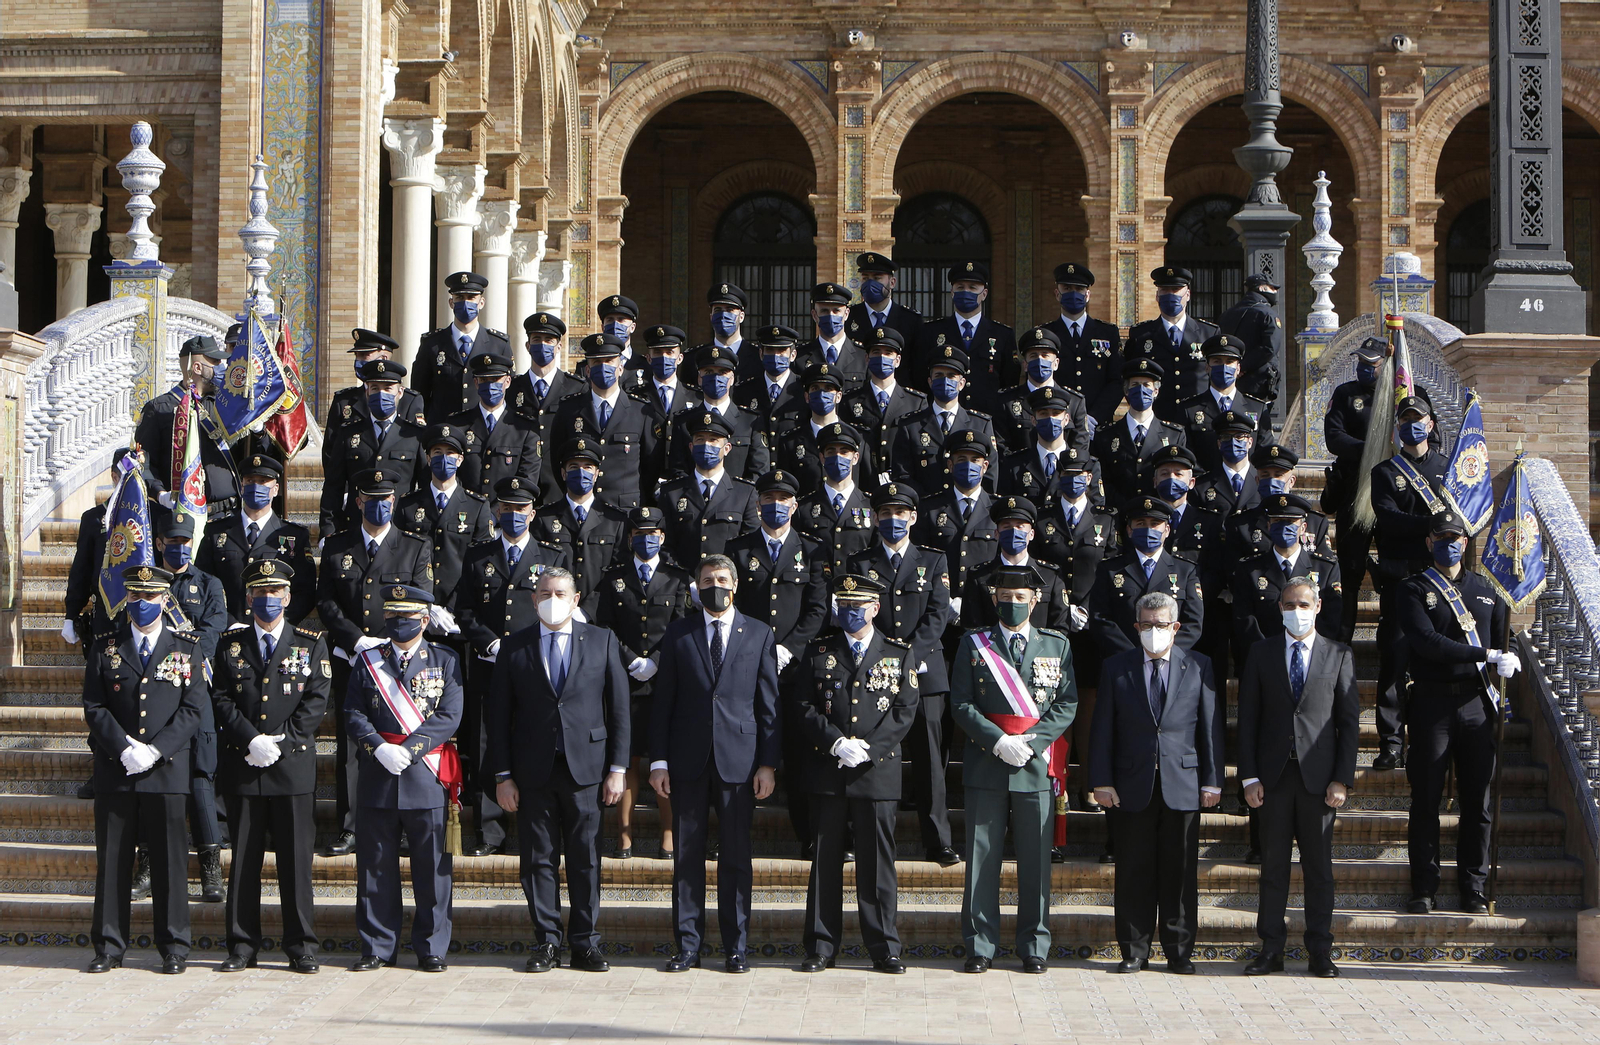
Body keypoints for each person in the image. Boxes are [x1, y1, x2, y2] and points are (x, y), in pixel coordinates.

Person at [485, 567, 630, 973]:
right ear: (534, 600)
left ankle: (585, 943)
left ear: (575, 599)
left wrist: (618, 768)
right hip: (533, 771)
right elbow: (498, 717)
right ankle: (547, 941)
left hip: (587, 770)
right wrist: (502, 776)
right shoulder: (514, 646)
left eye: (561, 593)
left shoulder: (601, 640)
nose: (553, 599)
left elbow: (619, 709)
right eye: (545, 593)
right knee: (538, 860)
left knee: (586, 859)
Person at [649, 554, 781, 973]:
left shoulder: (759, 633)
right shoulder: (678, 633)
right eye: (707, 580)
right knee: (687, 855)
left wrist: (768, 764)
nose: (715, 586)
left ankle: (735, 946)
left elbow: (768, 705)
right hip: (687, 759)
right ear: (696, 587)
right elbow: (663, 702)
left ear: (735, 585)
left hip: (739, 762)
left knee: (736, 856)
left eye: (722, 579)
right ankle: (688, 945)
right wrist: (658, 761)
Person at [949, 564, 1077, 973]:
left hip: (1034, 767)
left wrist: (1032, 743)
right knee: (981, 860)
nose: (1012, 603)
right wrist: (998, 741)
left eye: (1020, 598)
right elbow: (961, 703)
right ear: (994, 599)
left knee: (1036, 861)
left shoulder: (1056, 645)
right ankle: (980, 946)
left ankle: (1034, 945)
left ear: (1035, 601)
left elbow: (1067, 703)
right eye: (1005, 597)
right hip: (987, 764)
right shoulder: (974, 644)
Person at [1089, 591, 1223, 974]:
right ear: (1136, 627)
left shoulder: (1199, 666)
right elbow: (1103, 729)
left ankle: (1179, 951)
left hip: (1183, 783)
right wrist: (1101, 780)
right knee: (1134, 869)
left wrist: (1212, 781)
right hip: (1132, 784)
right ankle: (1134, 949)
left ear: (1175, 627)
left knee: (1180, 872)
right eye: (1146, 625)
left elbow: (1209, 727)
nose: (1153, 631)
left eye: (1161, 624)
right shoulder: (1116, 667)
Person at [82, 565, 206, 975]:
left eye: (150, 596)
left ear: (165, 599)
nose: (142, 603)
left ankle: (174, 947)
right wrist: (123, 748)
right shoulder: (105, 647)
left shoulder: (186, 647)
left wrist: (155, 751)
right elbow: (94, 706)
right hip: (117, 770)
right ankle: (108, 947)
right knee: (113, 860)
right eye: (135, 596)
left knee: (170, 861)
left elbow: (193, 709)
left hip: (165, 770)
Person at [1397, 510, 1520, 915]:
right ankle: (1424, 887)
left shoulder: (1487, 590)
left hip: (1476, 704)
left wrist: (1508, 660)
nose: (1448, 544)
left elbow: (1504, 639)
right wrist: (1486, 654)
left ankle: (1474, 887)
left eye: (1454, 538)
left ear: (1465, 543)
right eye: (1441, 537)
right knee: (1426, 798)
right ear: (1429, 542)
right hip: (1431, 703)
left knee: (1478, 802)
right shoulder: (1414, 589)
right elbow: (1427, 641)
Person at [795, 574, 919, 973]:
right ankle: (821, 946)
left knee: (877, 863)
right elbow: (802, 705)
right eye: (844, 606)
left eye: (857, 606)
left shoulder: (898, 653)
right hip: (828, 769)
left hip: (877, 772)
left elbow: (904, 709)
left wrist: (871, 749)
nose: (849, 612)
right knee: (825, 860)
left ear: (875, 608)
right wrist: (835, 743)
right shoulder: (818, 651)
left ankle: (884, 947)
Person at [211, 560, 330, 973]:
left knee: (295, 864)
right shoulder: (229, 644)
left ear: (288, 597)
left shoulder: (310, 644)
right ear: (248, 598)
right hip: (243, 764)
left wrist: (282, 744)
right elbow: (220, 697)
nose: (267, 599)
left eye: (274, 592)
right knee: (244, 863)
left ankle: (301, 945)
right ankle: (242, 945)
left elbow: (316, 701)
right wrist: (251, 739)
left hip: (291, 767)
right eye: (260, 592)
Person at [1237, 577, 1358, 978]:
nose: (1297, 611)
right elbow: (1248, 720)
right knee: (1273, 867)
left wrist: (1342, 779)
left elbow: (1348, 724)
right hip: (1272, 779)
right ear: (1280, 608)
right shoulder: (1261, 653)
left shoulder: (1338, 654)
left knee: (1318, 870)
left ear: (1318, 606)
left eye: (1304, 604)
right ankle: (1271, 949)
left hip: (1318, 782)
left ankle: (1320, 951)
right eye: (1289, 604)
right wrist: (1249, 777)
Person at [315, 467, 435, 856]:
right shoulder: (337, 546)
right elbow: (326, 602)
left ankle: (403, 823)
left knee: (400, 738)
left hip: (399, 660)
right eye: (371, 499)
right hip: (351, 658)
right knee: (352, 745)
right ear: (358, 501)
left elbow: (421, 600)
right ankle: (351, 826)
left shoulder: (415, 546)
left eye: (385, 500)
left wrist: (389, 642)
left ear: (394, 502)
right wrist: (355, 639)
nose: (379, 506)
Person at [345, 584, 464, 972]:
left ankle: (431, 947)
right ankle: (378, 947)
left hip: (425, 776)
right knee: (375, 869)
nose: (399, 622)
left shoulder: (445, 659)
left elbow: (449, 715)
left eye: (407, 616)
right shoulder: (368, 661)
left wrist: (409, 750)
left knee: (432, 871)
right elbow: (353, 712)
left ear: (424, 620)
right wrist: (378, 747)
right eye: (392, 616)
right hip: (378, 775)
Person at [455, 476, 569, 855]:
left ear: (532, 513)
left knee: (534, 741)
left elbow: (561, 612)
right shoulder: (478, 556)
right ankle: (489, 832)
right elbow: (464, 610)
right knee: (486, 742)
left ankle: (533, 829)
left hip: (536, 668)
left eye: (521, 509)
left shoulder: (551, 558)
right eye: (507, 508)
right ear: (497, 511)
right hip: (488, 665)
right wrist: (489, 642)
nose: (514, 514)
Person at [846, 483, 957, 865]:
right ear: (875, 519)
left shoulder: (933, 560)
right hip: (874, 673)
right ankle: (864, 836)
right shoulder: (860, 563)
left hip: (925, 673)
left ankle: (938, 841)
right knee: (870, 753)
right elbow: (857, 615)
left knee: (930, 761)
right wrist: (886, 659)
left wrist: (907, 657)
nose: (893, 519)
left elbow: (938, 615)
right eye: (885, 513)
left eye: (900, 513)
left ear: (913, 517)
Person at [724, 470, 829, 852]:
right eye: (768, 499)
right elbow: (732, 608)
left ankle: (809, 838)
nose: (775, 506)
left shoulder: (813, 550)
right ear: (757, 505)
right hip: (748, 667)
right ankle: (733, 835)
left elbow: (818, 609)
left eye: (783, 500)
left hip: (796, 671)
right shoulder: (738, 549)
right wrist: (756, 648)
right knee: (742, 753)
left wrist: (789, 648)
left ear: (794, 506)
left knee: (801, 756)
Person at [1322, 337, 1440, 644]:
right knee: (1350, 570)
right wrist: (1374, 449)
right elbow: (1334, 438)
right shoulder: (1346, 394)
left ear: (1386, 364)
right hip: (1355, 490)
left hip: (1399, 493)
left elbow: (1434, 441)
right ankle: (1342, 641)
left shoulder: (1412, 394)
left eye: (1371, 363)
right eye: (1361, 362)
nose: (1364, 368)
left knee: (1400, 568)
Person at [592, 508, 696, 858]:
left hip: (666, 681)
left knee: (663, 758)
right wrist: (630, 659)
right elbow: (605, 626)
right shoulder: (614, 578)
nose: (646, 539)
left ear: (662, 537)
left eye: (652, 533)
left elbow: (683, 627)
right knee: (628, 757)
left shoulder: (678, 577)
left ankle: (668, 835)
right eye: (639, 533)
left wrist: (657, 661)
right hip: (627, 680)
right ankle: (624, 836)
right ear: (630, 537)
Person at [1368, 394, 1450, 770]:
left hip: (1439, 581)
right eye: (1405, 420)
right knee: (1394, 660)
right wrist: (1433, 526)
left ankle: (1429, 739)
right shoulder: (1385, 472)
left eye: (1418, 420)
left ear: (1430, 425)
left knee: (1436, 661)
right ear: (1397, 426)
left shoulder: (1448, 468)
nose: (1412, 426)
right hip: (1400, 581)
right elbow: (1389, 519)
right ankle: (1391, 742)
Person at [154, 510, 229, 902]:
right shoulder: (148, 585)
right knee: (153, 779)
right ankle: (148, 864)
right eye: (173, 542)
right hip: (157, 696)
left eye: (186, 541)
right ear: (160, 543)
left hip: (197, 693)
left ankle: (210, 870)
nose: (180, 548)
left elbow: (213, 631)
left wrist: (177, 650)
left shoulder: (210, 584)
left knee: (202, 776)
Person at [545, 332, 666, 510]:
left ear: (620, 368)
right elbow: (558, 461)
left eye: (609, 361)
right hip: (584, 508)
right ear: (587, 370)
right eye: (596, 362)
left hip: (625, 511)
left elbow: (652, 466)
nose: (603, 367)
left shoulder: (641, 411)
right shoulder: (569, 410)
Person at [197, 453, 317, 626]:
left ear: (275, 489)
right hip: (227, 631)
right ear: (242, 487)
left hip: (273, 632)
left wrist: (276, 625)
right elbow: (203, 583)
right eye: (250, 481)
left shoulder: (295, 536)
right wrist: (229, 623)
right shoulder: (216, 532)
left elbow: (305, 592)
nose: (255, 487)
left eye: (262, 481)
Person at [394, 424, 495, 617]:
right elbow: (399, 557)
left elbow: (481, 562)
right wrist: (424, 606)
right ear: (428, 458)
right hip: (416, 609)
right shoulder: (408, 504)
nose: (444, 458)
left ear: (460, 460)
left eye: (450, 453)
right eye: (438, 452)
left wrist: (451, 608)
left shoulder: (477, 506)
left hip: (460, 610)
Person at [319, 359, 428, 539]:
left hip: (401, 530)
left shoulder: (414, 436)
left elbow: (425, 487)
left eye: (388, 388)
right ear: (367, 391)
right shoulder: (348, 433)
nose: (381, 394)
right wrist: (328, 531)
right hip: (356, 529)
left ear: (400, 392)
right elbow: (333, 487)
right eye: (375, 388)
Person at [1089, 497, 1205, 659]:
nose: (1148, 530)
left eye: (1155, 524)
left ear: (1167, 530)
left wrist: (1164, 652)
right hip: (1123, 661)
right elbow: (1100, 618)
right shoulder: (1110, 569)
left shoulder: (1186, 571)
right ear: (1129, 530)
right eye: (1141, 523)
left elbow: (1193, 623)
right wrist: (1133, 655)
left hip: (1170, 661)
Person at [134, 333, 239, 511]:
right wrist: (160, 494)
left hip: (227, 512)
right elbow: (144, 461)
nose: (221, 367)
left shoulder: (225, 403)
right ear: (197, 368)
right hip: (183, 514)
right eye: (215, 362)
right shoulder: (160, 408)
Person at [531, 438, 630, 607]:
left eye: (588, 467)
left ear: (596, 474)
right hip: (555, 609)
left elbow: (619, 573)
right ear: (563, 474)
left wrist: (587, 610)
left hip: (599, 612)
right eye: (574, 467)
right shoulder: (543, 518)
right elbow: (537, 570)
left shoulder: (615, 520)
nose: (581, 472)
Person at [890, 346, 998, 497]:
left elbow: (989, 476)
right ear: (930, 382)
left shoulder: (981, 424)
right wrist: (930, 505)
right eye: (939, 375)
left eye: (951, 376)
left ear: (961, 383)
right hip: (925, 508)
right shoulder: (910, 426)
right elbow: (902, 476)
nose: (945, 380)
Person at [912, 260, 1017, 411]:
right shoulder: (930, 331)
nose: (966, 292)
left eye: (972, 288)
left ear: (984, 294)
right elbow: (920, 377)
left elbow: (1009, 382)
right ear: (952, 292)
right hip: (943, 415)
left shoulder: (1002, 334)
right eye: (960, 287)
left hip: (988, 417)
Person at [660, 411, 761, 566]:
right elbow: (665, 546)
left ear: (727, 448)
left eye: (713, 440)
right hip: (685, 580)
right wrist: (684, 579)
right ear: (691, 447)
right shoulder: (671, 493)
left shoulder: (744, 493)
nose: (706, 445)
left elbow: (750, 545)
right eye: (700, 439)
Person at [412, 270, 513, 420]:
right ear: (451, 303)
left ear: (481, 302)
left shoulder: (498, 344)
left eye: (471, 297)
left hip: (481, 428)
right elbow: (420, 393)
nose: (466, 303)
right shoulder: (432, 344)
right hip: (443, 428)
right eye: (459, 297)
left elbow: (509, 393)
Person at [913, 429, 1000, 599]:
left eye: (975, 460)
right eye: (961, 460)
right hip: (943, 602)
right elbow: (922, 560)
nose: (968, 466)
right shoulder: (930, 508)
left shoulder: (996, 509)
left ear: (984, 466)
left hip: (985, 602)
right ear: (950, 465)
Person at [1125, 266, 1218, 422]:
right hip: (1158, 420)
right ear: (1157, 295)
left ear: (1188, 294)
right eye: (1165, 290)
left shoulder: (1208, 333)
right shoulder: (1140, 335)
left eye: (1175, 290)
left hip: (1198, 420)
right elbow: (1128, 377)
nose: (1170, 295)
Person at [1090, 357, 1186, 509]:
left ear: (1156, 391)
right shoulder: (1106, 435)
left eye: (1146, 385)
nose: (1141, 390)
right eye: (1135, 385)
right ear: (1126, 391)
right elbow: (1102, 480)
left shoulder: (1174, 434)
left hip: (1158, 515)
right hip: (1118, 514)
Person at [447, 352, 544, 499]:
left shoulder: (525, 429)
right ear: (476, 382)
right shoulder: (458, 425)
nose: (490, 385)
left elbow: (527, 478)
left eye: (495, 379)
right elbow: (452, 475)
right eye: (484, 380)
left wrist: (501, 509)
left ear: (508, 381)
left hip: (506, 509)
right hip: (466, 510)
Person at [1038, 262, 1124, 425]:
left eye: (1079, 289)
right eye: (1067, 288)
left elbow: (1116, 381)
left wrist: (1095, 417)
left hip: (1097, 424)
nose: (1073, 293)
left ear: (1087, 295)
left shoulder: (1107, 333)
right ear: (1057, 294)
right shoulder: (1046, 334)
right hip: (1057, 421)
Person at [669, 344, 770, 480]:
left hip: (739, 493)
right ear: (699, 378)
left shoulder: (751, 421)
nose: (716, 378)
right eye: (709, 372)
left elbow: (759, 471)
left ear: (732, 379)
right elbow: (677, 469)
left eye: (722, 372)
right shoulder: (684, 421)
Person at [840, 325, 925, 481]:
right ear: (867, 358)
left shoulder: (916, 402)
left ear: (897, 360)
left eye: (888, 353)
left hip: (901, 483)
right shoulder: (849, 401)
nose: (882, 357)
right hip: (864, 482)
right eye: (876, 352)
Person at [795, 421, 878, 579]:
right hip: (818, 591)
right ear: (822, 457)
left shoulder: (871, 506)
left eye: (844, 452)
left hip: (858, 591)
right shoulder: (804, 508)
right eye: (831, 451)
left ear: (855, 457)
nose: (837, 457)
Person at [1176, 334, 1269, 475]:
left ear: (1238, 368)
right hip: (1204, 484)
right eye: (1217, 361)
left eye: (1229, 361)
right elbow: (1186, 454)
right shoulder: (1189, 409)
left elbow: (1263, 454)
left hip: (1246, 484)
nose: (1224, 367)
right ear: (1207, 367)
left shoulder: (1257, 408)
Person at [994, 325, 1090, 455]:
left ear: (1056, 363)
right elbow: (1001, 448)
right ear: (1025, 365)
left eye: (1045, 355)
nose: (1040, 360)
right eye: (1033, 356)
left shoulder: (1075, 402)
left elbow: (1080, 448)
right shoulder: (1006, 401)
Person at [508, 312, 586, 455]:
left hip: (557, 466)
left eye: (549, 340)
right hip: (522, 466)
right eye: (537, 339)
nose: (542, 345)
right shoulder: (511, 388)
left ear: (559, 346)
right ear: (528, 346)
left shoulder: (576, 387)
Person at [995, 385, 1089, 502]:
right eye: (1043, 414)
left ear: (1066, 419)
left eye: (1056, 413)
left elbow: (1093, 509)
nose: (1050, 419)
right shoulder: (1014, 465)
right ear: (1033, 420)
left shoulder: (1086, 466)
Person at [1216, 272, 1285, 431]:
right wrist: (1244, 366)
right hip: (1258, 382)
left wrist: (1234, 367)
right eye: (1272, 288)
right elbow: (1269, 348)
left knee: (1231, 423)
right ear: (1262, 288)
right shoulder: (1267, 314)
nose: (1275, 292)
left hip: (1230, 377)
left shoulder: (1227, 314)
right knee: (1258, 427)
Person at [327, 328, 428, 430]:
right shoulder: (343, 401)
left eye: (364, 355)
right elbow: (332, 439)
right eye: (356, 356)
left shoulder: (409, 401)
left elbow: (415, 437)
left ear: (383, 358)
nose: (358, 361)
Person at [630, 323, 701, 465]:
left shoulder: (696, 397)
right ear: (648, 358)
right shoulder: (635, 397)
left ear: (680, 358)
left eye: (669, 352)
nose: (663, 357)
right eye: (657, 352)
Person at [735, 323, 808, 444]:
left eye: (782, 351)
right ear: (761, 354)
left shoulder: (803, 389)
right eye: (770, 350)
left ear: (793, 355)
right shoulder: (744, 390)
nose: (775, 356)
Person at [796, 281, 867, 389]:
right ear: (814, 315)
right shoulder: (800, 358)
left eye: (836, 311)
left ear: (846, 314)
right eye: (824, 311)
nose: (830, 315)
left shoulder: (863, 356)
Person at [846, 251, 922, 345]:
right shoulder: (848, 317)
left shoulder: (910, 319)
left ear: (892, 283)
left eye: (877, 278)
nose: (870, 284)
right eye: (865, 278)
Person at [699, 282, 764, 385]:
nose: (723, 315)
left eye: (730, 310)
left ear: (741, 316)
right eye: (718, 310)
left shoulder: (758, 357)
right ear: (711, 317)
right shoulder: (696, 357)